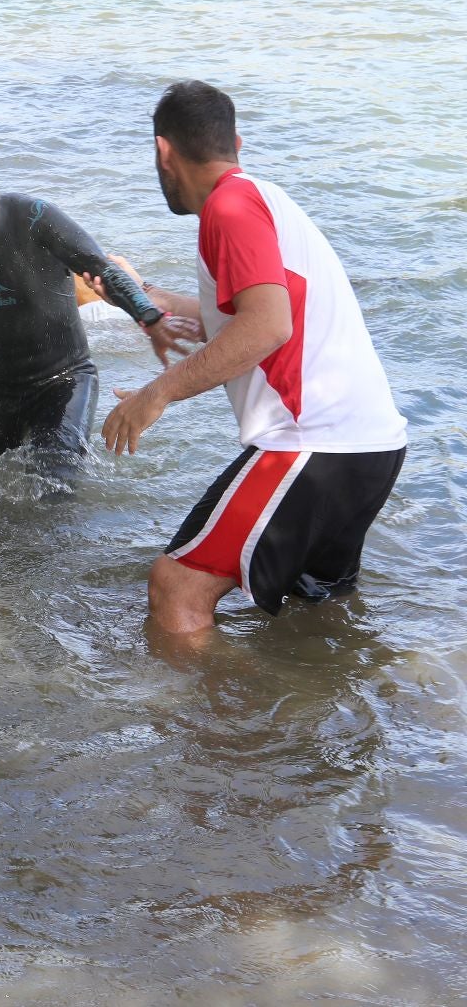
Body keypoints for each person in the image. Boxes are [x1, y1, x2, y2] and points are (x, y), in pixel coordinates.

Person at [103, 81, 406, 639]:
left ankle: (216, 728)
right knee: (317, 617)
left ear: (163, 152)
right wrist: (165, 303)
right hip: (372, 446)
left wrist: (156, 394)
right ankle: (318, 716)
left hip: (314, 443)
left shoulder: (228, 207)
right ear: (235, 142)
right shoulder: (261, 197)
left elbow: (267, 326)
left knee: (176, 588)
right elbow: (266, 307)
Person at [0, 141, 189, 474]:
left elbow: (103, 268)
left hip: (66, 380)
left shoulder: (33, 217)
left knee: (55, 482)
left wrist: (151, 318)